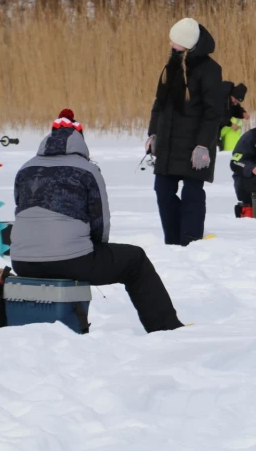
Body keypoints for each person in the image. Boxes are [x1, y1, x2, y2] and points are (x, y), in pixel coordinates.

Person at [11, 110, 184, 334]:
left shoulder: (25, 169)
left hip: (22, 262)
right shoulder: (87, 169)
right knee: (135, 260)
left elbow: (20, 211)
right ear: (80, 142)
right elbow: (100, 223)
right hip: (70, 259)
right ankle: (165, 328)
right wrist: (91, 247)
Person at [146, 17, 226, 246]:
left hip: (195, 145)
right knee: (162, 189)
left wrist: (203, 145)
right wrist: (153, 134)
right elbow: (158, 104)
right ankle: (172, 241)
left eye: (176, 42)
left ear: (189, 44)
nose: (171, 44)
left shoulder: (210, 70)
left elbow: (213, 112)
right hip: (169, 142)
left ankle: (190, 240)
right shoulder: (171, 65)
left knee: (192, 192)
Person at [218, 82, 249, 152]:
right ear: (232, 95)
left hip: (220, 129)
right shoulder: (222, 99)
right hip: (213, 129)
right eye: (235, 100)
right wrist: (231, 124)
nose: (235, 103)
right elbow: (219, 116)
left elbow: (235, 109)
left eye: (237, 102)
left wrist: (242, 113)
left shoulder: (231, 101)